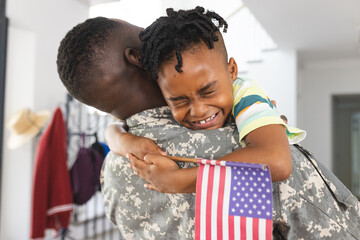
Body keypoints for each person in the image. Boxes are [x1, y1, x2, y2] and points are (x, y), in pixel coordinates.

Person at [57, 16, 360, 239]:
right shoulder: (242, 148)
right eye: (144, 33)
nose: (199, 108)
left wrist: (119, 138)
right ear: (137, 58)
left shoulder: (113, 170)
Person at [117, 7, 306, 193]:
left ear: (232, 71)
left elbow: (277, 160)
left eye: (208, 91)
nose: (198, 110)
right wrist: (121, 139)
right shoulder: (171, 91)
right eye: (180, 101)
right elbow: (116, 125)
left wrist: (180, 180)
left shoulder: (247, 95)